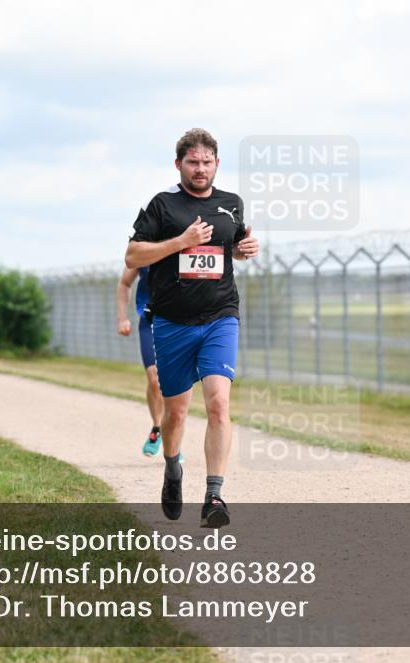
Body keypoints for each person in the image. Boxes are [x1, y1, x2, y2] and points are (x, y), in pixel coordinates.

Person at [125, 128, 258, 528]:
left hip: (220, 316)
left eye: (206, 162)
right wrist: (180, 241)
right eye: (192, 162)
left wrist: (243, 250)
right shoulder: (162, 205)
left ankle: (214, 495)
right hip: (172, 322)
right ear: (178, 164)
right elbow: (133, 255)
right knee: (177, 412)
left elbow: (230, 246)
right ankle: (172, 468)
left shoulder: (231, 204)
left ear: (217, 164)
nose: (200, 169)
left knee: (218, 403)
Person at [116, 264, 164, 456]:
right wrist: (122, 318)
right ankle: (157, 429)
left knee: (174, 380)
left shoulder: (182, 247)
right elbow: (124, 283)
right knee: (154, 378)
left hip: (180, 320)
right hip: (150, 318)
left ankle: (174, 437)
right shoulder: (143, 249)